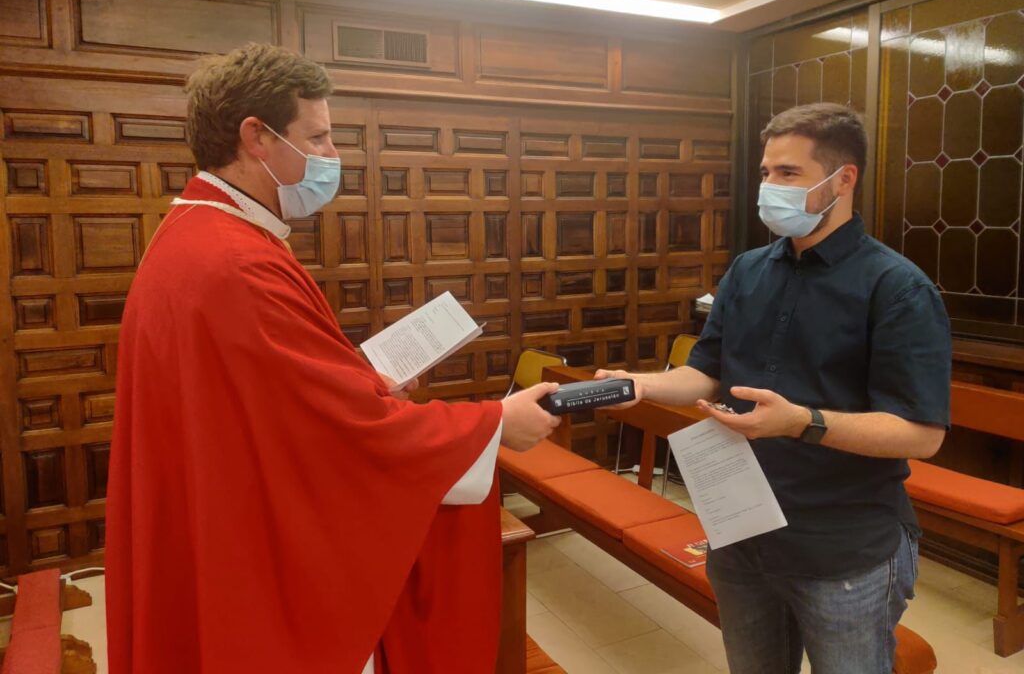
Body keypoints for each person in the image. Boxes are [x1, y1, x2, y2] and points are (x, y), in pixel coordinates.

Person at [105, 43, 561, 674]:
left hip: (218, 515)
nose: (332, 157)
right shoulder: (235, 262)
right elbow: (328, 441)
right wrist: (493, 425)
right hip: (257, 560)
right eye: (317, 138)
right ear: (256, 138)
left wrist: (358, 381)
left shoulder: (200, 232)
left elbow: (265, 401)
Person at [597, 103, 951, 674]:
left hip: (841, 545)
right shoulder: (748, 270)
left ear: (844, 180)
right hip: (740, 528)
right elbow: (707, 371)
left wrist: (801, 422)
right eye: (766, 173)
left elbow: (921, 433)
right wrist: (643, 385)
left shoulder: (896, 287)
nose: (769, 188)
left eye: (788, 174)